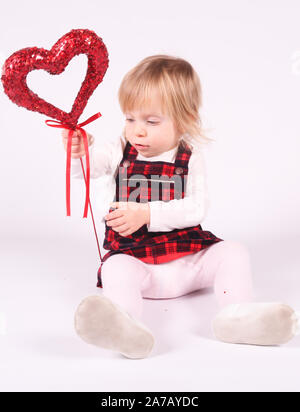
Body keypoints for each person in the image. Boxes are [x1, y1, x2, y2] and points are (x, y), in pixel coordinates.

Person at [62, 55, 299, 359]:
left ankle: (238, 315)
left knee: (234, 252)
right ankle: (124, 325)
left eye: (151, 121)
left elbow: (196, 208)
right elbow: (87, 169)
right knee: (114, 267)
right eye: (129, 118)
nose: (138, 131)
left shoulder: (189, 157)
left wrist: (147, 214)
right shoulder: (120, 150)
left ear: (184, 120)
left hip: (187, 261)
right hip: (139, 263)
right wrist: (79, 151)